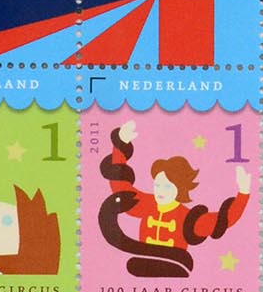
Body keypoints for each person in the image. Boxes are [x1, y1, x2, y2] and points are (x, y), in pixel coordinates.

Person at [98, 119, 251, 278]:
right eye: (157, 184)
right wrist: (121, 144)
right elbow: (121, 186)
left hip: (175, 264)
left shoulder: (187, 217)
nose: (160, 190)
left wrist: (243, 193)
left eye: (167, 186)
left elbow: (221, 220)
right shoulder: (146, 203)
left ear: (179, 189)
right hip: (144, 262)